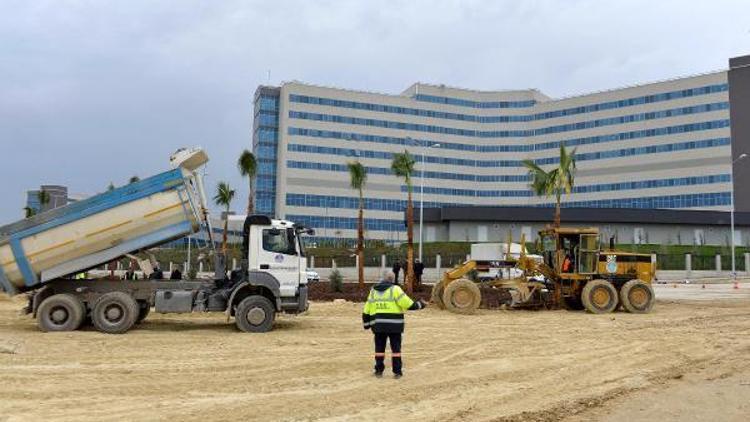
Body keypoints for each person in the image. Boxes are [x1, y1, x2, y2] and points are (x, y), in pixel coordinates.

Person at [362, 271, 426, 378]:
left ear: (382, 278)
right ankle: (397, 372)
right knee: (396, 349)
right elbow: (408, 304)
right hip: (394, 326)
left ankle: (378, 371)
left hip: (378, 326)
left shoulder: (373, 291)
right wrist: (421, 304)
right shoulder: (395, 289)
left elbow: (366, 309)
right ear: (393, 279)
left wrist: (367, 324)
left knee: (379, 349)